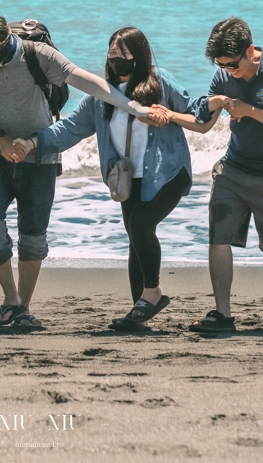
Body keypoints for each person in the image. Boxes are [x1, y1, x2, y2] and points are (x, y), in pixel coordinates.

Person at [0, 13, 168, 330]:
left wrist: (130, 106)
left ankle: (22, 307)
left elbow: (83, 79)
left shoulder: (38, 55)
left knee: (33, 237)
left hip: (40, 158)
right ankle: (11, 299)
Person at [19, 27, 196, 331]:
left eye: (123, 54)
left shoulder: (160, 82)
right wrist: (33, 142)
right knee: (135, 238)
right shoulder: (101, 97)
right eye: (112, 54)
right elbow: (69, 130)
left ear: (139, 57)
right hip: (128, 179)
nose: (116, 60)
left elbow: (193, 108)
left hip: (167, 174)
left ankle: (152, 293)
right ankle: (139, 311)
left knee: (140, 225)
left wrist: (217, 105)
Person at [185, 16, 263, 333]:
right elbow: (204, 123)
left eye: (232, 65)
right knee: (218, 238)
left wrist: (248, 109)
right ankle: (222, 313)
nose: (228, 71)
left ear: (250, 50)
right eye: (221, 65)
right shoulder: (223, 75)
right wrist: (169, 115)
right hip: (233, 169)